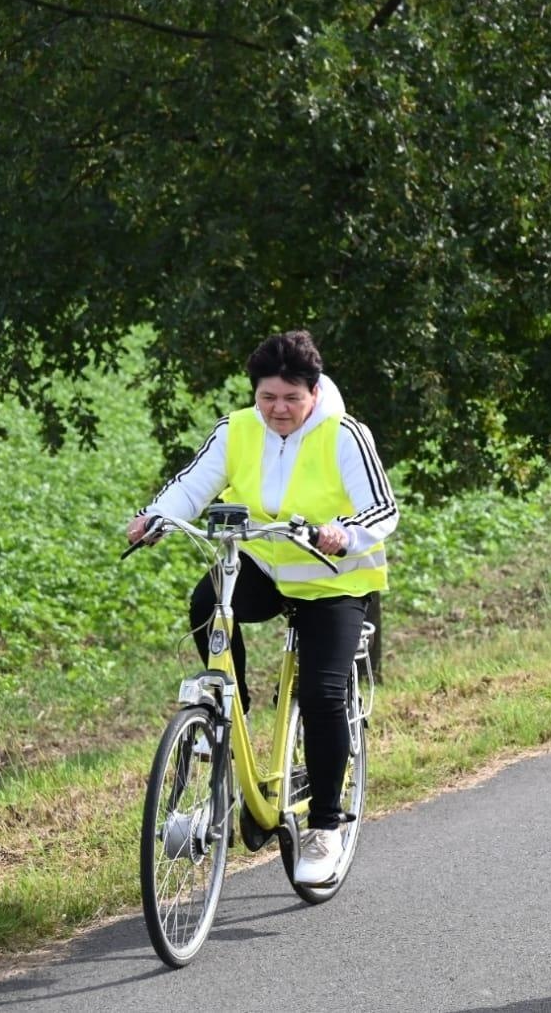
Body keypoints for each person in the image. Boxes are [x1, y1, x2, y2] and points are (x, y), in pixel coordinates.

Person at [126, 331, 398, 886]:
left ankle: (325, 826)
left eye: (290, 399)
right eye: (267, 397)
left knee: (321, 694)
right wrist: (156, 516)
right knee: (207, 600)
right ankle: (231, 711)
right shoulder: (237, 429)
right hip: (265, 568)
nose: (278, 409)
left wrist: (343, 535)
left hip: (331, 580)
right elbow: (192, 484)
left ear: (314, 392)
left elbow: (382, 508)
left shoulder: (344, 435)